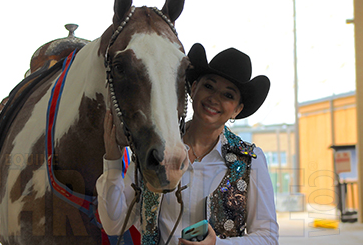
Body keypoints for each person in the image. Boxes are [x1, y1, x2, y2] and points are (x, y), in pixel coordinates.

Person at [96, 43, 279, 244]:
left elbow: (268, 238)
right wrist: (113, 161)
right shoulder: (155, 149)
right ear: (193, 88)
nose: (214, 98)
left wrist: (217, 244)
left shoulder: (250, 161)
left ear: (237, 109)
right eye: (209, 86)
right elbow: (113, 224)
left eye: (228, 95)